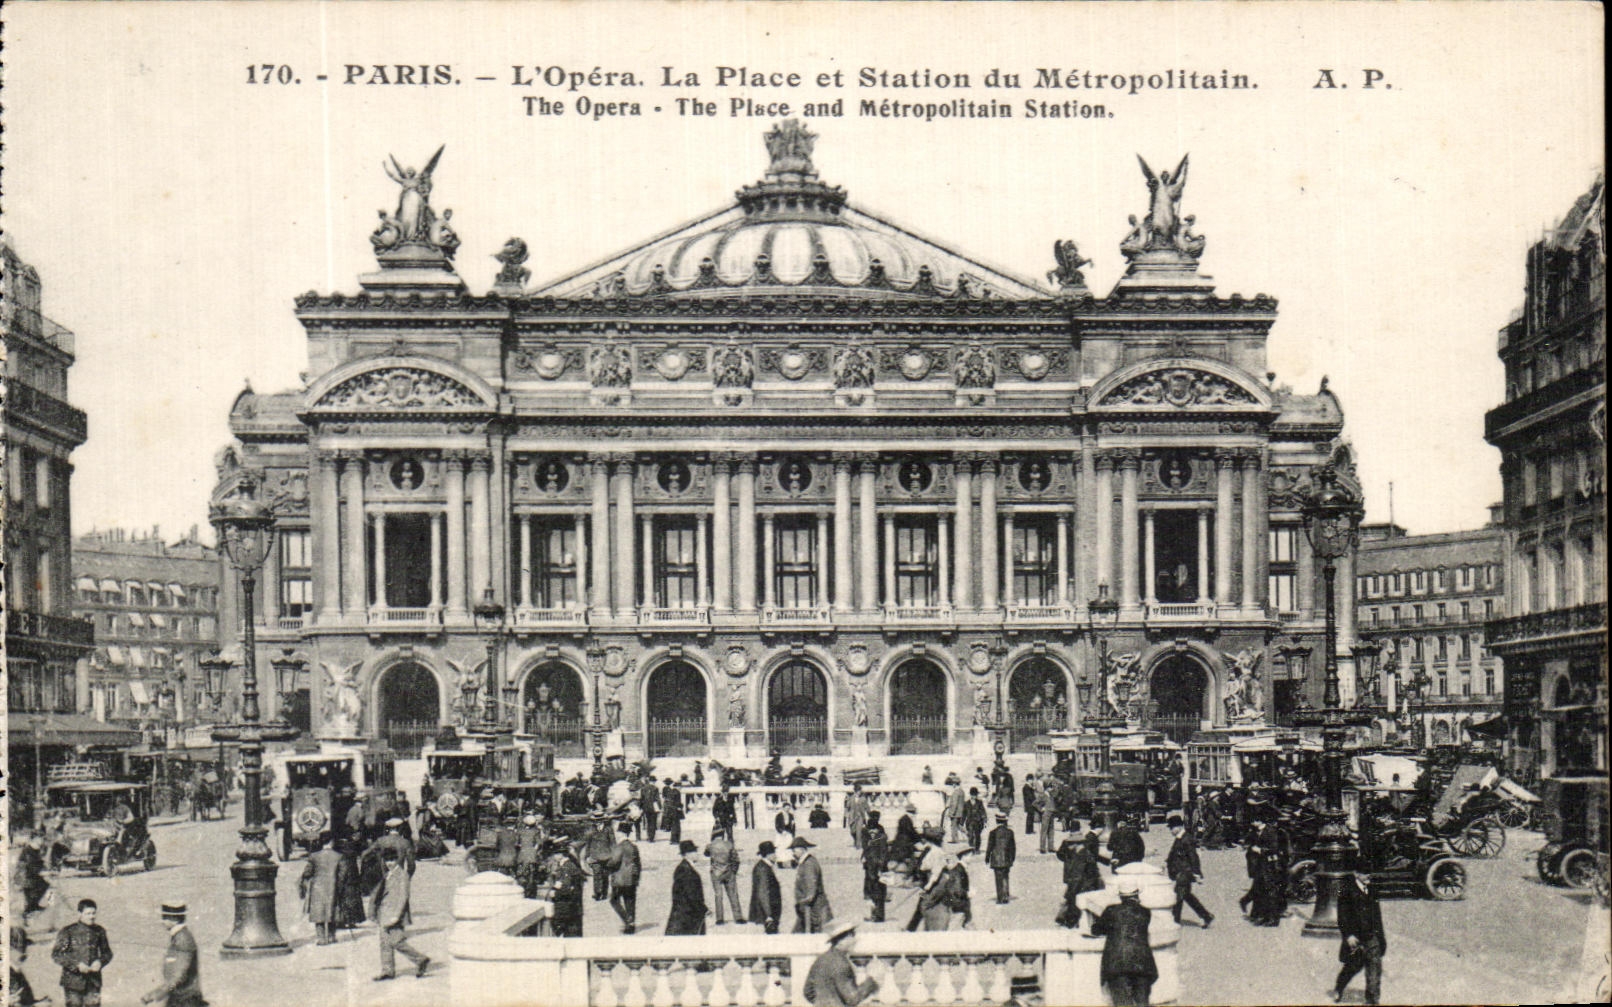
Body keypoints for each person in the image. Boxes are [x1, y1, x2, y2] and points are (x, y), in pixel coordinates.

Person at [1092, 877, 1158, 1007]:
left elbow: (1096, 929)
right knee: (1142, 1002)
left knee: (1122, 1003)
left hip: (1117, 963)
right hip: (1142, 963)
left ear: (1121, 896)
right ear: (1137, 894)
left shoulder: (1111, 910)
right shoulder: (1145, 912)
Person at [372, 849, 429, 981]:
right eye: (387, 860)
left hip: (394, 914)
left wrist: (396, 916)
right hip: (384, 913)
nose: (389, 863)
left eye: (392, 860)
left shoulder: (402, 875)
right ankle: (387, 971)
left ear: (397, 860)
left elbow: (404, 896)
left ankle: (420, 959)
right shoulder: (388, 874)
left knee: (397, 942)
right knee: (385, 943)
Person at [1332, 868, 1387, 1005]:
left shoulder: (1372, 890)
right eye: (1365, 873)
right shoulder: (1346, 890)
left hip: (1372, 936)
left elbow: (1377, 916)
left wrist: (1381, 937)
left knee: (1374, 969)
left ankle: (1372, 1000)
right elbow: (1342, 916)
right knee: (1352, 967)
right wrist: (1348, 935)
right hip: (1355, 938)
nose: (1369, 875)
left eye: (1370, 873)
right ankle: (1339, 988)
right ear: (1356, 874)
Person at [138, 902, 204, 1007]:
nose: (162, 922)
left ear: (174, 919)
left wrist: (154, 995)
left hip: (184, 1000)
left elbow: (178, 976)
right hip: (182, 998)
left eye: (165, 918)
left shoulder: (182, 940)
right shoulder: (180, 936)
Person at [803, 917, 879, 1006]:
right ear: (841, 941)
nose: (855, 940)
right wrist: (870, 983)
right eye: (852, 935)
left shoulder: (820, 960)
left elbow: (807, 992)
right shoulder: (841, 964)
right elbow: (852, 999)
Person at [52, 898, 113, 1007]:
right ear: (79, 913)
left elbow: (107, 953)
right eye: (88, 913)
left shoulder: (99, 931)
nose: (91, 916)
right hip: (73, 982)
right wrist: (76, 965)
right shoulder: (68, 931)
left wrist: (100, 962)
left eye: (93, 913)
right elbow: (57, 954)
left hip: (93, 982)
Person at [1165, 814, 1213, 928]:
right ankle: (1206, 916)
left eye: (1171, 828)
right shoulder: (1180, 838)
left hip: (1185, 872)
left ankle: (1174, 921)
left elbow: (1193, 857)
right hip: (1181, 872)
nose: (1171, 831)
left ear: (1178, 827)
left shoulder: (1186, 839)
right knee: (1187, 896)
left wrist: (1197, 873)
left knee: (1178, 897)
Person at [1056, 831, 1106, 929]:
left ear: (1077, 844)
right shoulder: (1079, 853)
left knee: (1078, 907)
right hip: (1083, 885)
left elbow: (1080, 875)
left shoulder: (1082, 855)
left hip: (1084, 886)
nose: (1068, 846)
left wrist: (1072, 890)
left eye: (1070, 844)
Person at [300, 837, 344, 945]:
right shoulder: (338, 856)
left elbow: (307, 872)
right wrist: (339, 884)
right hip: (333, 886)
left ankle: (321, 938)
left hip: (318, 887)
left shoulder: (314, 856)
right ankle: (331, 936)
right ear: (331, 841)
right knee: (332, 910)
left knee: (318, 911)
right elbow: (343, 873)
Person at [603, 821, 641, 934]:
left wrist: (606, 864)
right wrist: (636, 877)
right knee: (630, 901)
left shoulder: (619, 847)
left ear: (620, 833)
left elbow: (614, 861)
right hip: (631, 879)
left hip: (620, 879)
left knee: (614, 901)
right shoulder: (633, 847)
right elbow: (638, 864)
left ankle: (627, 921)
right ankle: (631, 925)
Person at [544, 839, 587, 938]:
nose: (554, 857)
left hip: (567, 906)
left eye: (555, 854)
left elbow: (566, 888)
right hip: (572, 906)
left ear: (561, 854)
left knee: (564, 932)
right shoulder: (569, 865)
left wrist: (553, 894)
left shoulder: (566, 867)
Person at [666, 840, 709, 935]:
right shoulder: (685, 870)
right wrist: (703, 909)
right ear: (687, 854)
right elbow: (691, 894)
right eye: (694, 851)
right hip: (686, 916)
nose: (697, 854)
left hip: (687, 914)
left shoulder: (685, 867)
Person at [792, 836, 832, 933]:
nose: (793, 853)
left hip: (815, 908)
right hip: (810, 908)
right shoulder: (806, 862)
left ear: (801, 849)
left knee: (820, 933)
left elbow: (811, 888)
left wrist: (804, 902)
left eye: (794, 850)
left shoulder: (809, 864)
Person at [705, 831, 745, 925]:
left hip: (715, 872)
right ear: (723, 835)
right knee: (733, 894)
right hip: (729, 872)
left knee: (718, 895)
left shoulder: (710, 846)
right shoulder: (729, 844)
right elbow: (736, 859)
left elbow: (706, 854)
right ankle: (738, 917)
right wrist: (734, 871)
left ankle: (720, 919)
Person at [13, 832, 49, 921]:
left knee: (43, 885)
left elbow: (39, 862)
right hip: (25, 876)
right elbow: (30, 865)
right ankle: (27, 911)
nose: (42, 840)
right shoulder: (28, 850)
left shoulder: (36, 849)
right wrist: (41, 872)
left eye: (43, 838)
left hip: (31, 875)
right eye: (40, 838)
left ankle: (33, 906)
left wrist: (45, 868)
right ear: (34, 839)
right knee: (34, 890)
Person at [861, 810, 890, 922]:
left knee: (877, 892)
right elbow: (865, 847)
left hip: (876, 867)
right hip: (871, 866)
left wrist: (880, 867)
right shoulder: (871, 833)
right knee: (875, 891)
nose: (873, 832)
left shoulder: (880, 834)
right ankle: (875, 915)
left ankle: (878, 916)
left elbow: (883, 852)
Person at [749, 841, 783, 934]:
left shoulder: (763, 866)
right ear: (768, 855)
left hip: (768, 912)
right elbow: (763, 892)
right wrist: (768, 915)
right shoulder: (763, 869)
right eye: (773, 853)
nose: (775, 855)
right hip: (767, 914)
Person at [986, 811, 1017, 904]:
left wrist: (987, 857)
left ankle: (1000, 898)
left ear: (997, 821)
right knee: (1005, 877)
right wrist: (1012, 858)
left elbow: (990, 847)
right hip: (1007, 858)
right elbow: (1013, 847)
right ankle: (1006, 895)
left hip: (996, 859)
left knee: (998, 879)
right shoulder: (1010, 832)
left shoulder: (993, 833)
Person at [583, 811, 615, 902]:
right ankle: (597, 893)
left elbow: (613, 842)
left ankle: (604, 893)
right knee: (597, 874)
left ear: (603, 821)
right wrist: (587, 856)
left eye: (600, 820)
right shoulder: (591, 830)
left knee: (605, 875)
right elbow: (587, 844)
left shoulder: (608, 829)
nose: (598, 822)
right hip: (595, 856)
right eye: (596, 821)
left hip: (606, 856)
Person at [10, 924, 41, 1007]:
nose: (25, 953)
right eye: (19, 949)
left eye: (25, 947)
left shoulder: (17, 971)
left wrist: (37, 1003)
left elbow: (25, 1000)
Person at [844, 785, 869, 850]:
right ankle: (855, 840)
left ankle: (858, 845)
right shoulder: (851, 798)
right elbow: (847, 807)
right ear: (855, 791)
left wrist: (870, 815)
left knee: (859, 830)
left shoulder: (863, 799)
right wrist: (846, 814)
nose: (859, 792)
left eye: (860, 791)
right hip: (852, 817)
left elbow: (867, 808)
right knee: (852, 831)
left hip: (860, 816)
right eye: (858, 791)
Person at [661, 779, 684, 846]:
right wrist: (680, 807)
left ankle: (672, 840)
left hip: (669, 811)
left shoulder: (670, 792)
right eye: (680, 787)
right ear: (678, 787)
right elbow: (677, 803)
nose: (681, 788)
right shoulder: (677, 792)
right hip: (675, 811)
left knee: (673, 826)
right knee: (676, 826)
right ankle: (675, 840)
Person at [638, 776, 660, 843]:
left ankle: (648, 836)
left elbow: (641, 799)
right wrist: (660, 807)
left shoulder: (643, 788)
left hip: (646, 807)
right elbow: (657, 799)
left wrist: (641, 807)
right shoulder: (655, 788)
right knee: (653, 822)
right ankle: (651, 838)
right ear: (654, 781)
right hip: (653, 807)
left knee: (648, 822)